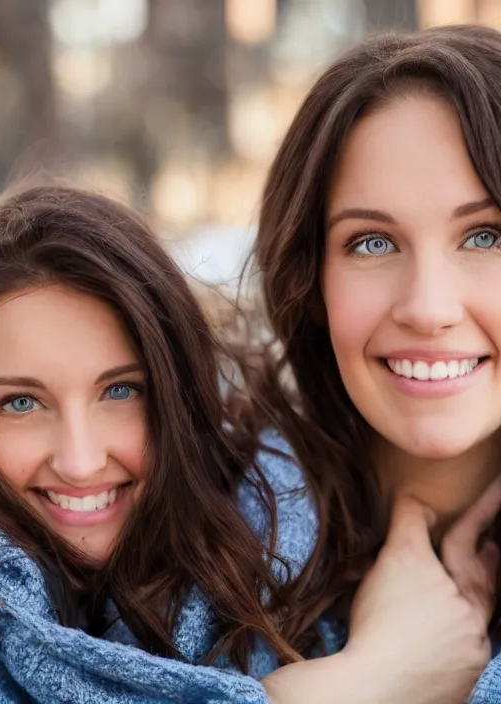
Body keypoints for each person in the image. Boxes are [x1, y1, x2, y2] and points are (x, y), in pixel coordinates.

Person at [0, 184, 495, 704]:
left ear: (179, 397)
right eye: (22, 402)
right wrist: (362, 684)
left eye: (120, 391)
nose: (78, 458)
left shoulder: (301, 561)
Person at [246, 23, 501, 704]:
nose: (427, 307)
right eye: (370, 244)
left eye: (485, 235)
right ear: (310, 280)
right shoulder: (185, 537)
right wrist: (364, 683)